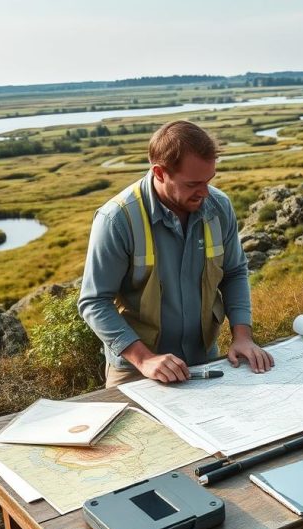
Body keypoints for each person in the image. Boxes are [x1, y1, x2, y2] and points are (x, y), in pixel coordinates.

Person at [79, 120, 274, 388]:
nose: (205, 192)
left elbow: (234, 272)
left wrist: (243, 336)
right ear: (159, 172)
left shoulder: (219, 207)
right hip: (136, 369)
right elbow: (94, 302)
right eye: (193, 183)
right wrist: (145, 360)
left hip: (204, 360)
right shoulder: (117, 219)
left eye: (209, 180)